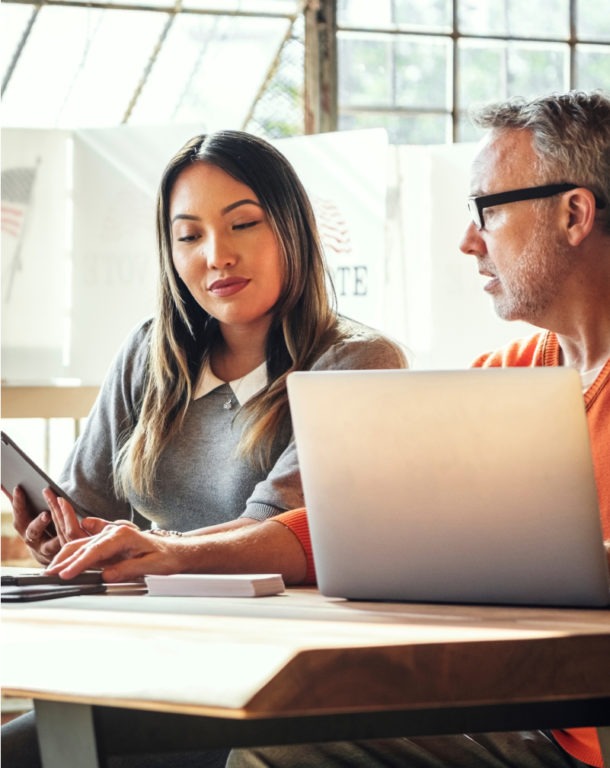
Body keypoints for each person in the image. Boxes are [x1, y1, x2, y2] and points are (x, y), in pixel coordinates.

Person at [226, 90, 610, 768]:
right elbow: (362, 526)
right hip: (530, 718)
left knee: (280, 755)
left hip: (586, 740)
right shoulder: (507, 375)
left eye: (487, 210)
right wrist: (169, 553)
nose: (469, 241)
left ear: (574, 213)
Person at [1, 129, 407, 767]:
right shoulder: (149, 355)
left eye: (242, 224)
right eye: (189, 235)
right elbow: (87, 502)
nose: (216, 256)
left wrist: (159, 552)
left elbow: (280, 535)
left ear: (293, 231)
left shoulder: (355, 363)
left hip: (273, 680)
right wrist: (62, 536)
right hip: (151, 658)